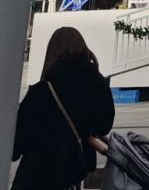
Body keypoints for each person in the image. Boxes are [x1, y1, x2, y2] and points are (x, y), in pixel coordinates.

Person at [12, 27, 114, 190]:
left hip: (35, 177)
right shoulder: (99, 84)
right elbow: (104, 126)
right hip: (71, 176)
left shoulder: (42, 91)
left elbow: (15, 145)